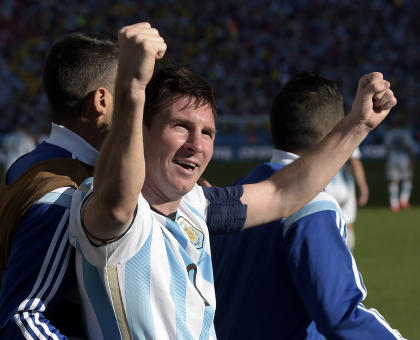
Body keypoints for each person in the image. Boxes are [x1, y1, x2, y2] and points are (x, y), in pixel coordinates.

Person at [68, 23, 397, 339]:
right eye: (180, 126)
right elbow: (116, 206)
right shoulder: (106, 208)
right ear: (142, 130)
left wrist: (359, 124)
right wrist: (132, 87)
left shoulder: (196, 205)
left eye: (208, 133)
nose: (196, 145)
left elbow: (282, 193)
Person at [210, 72, 404, 340]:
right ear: (334, 135)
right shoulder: (313, 205)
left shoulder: (235, 198)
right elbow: (341, 316)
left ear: (273, 128)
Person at [0, 31, 118, 339]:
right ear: (102, 100)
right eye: (130, 95)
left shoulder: (30, 162)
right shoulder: (64, 192)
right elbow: (22, 319)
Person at [324, 147, 369, 252]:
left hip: (325, 186)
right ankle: (347, 260)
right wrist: (363, 187)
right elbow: (355, 161)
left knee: (324, 225)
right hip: (344, 185)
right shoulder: (347, 133)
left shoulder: (321, 133)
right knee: (348, 226)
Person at [383, 116, 416, 212]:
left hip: (393, 157)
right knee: (407, 179)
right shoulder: (406, 133)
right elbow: (409, 148)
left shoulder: (390, 133)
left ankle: (394, 204)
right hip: (403, 157)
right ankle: (404, 200)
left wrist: (386, 161)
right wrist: (412, 161)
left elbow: (387, 149)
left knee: (394, 181)